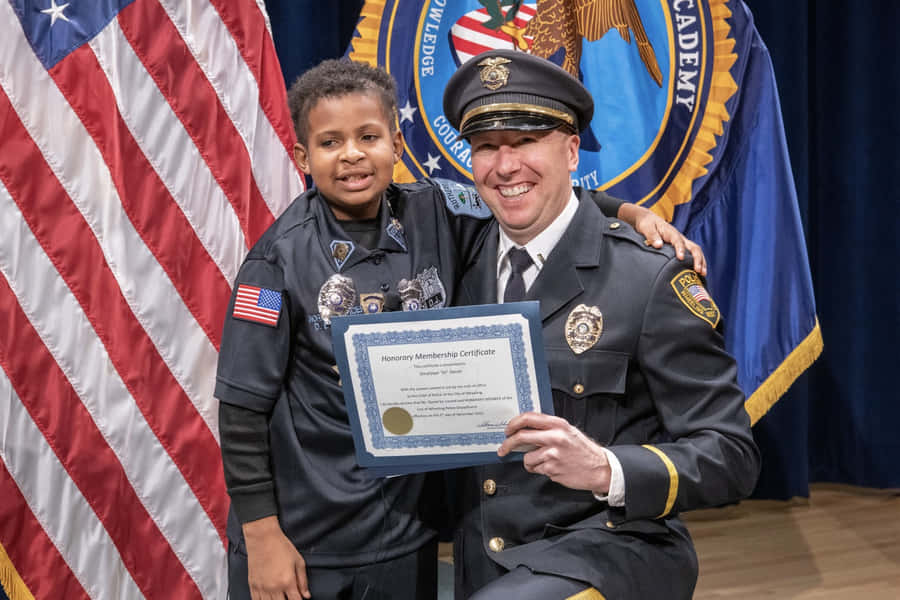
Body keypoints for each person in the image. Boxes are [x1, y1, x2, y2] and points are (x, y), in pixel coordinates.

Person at [215, 58, 705, 600]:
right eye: (331, 143)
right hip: (304, 535)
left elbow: (535, 196)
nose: (353, 154)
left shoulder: (438, 210)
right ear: (304, 157)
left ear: (396, 146)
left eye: (369, 136)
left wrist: (630, 212)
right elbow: (241, 409)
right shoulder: (274, 263)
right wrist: (261, 535)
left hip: (404, 531)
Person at [443, 49, 761, 599]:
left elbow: (730, 454)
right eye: (487, 147)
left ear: (571, 151)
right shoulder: (455, 258)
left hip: (606, 548)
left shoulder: (649, 278)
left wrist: (605, 467)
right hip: (487, 561)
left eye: (524, 142)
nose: (505, 165)